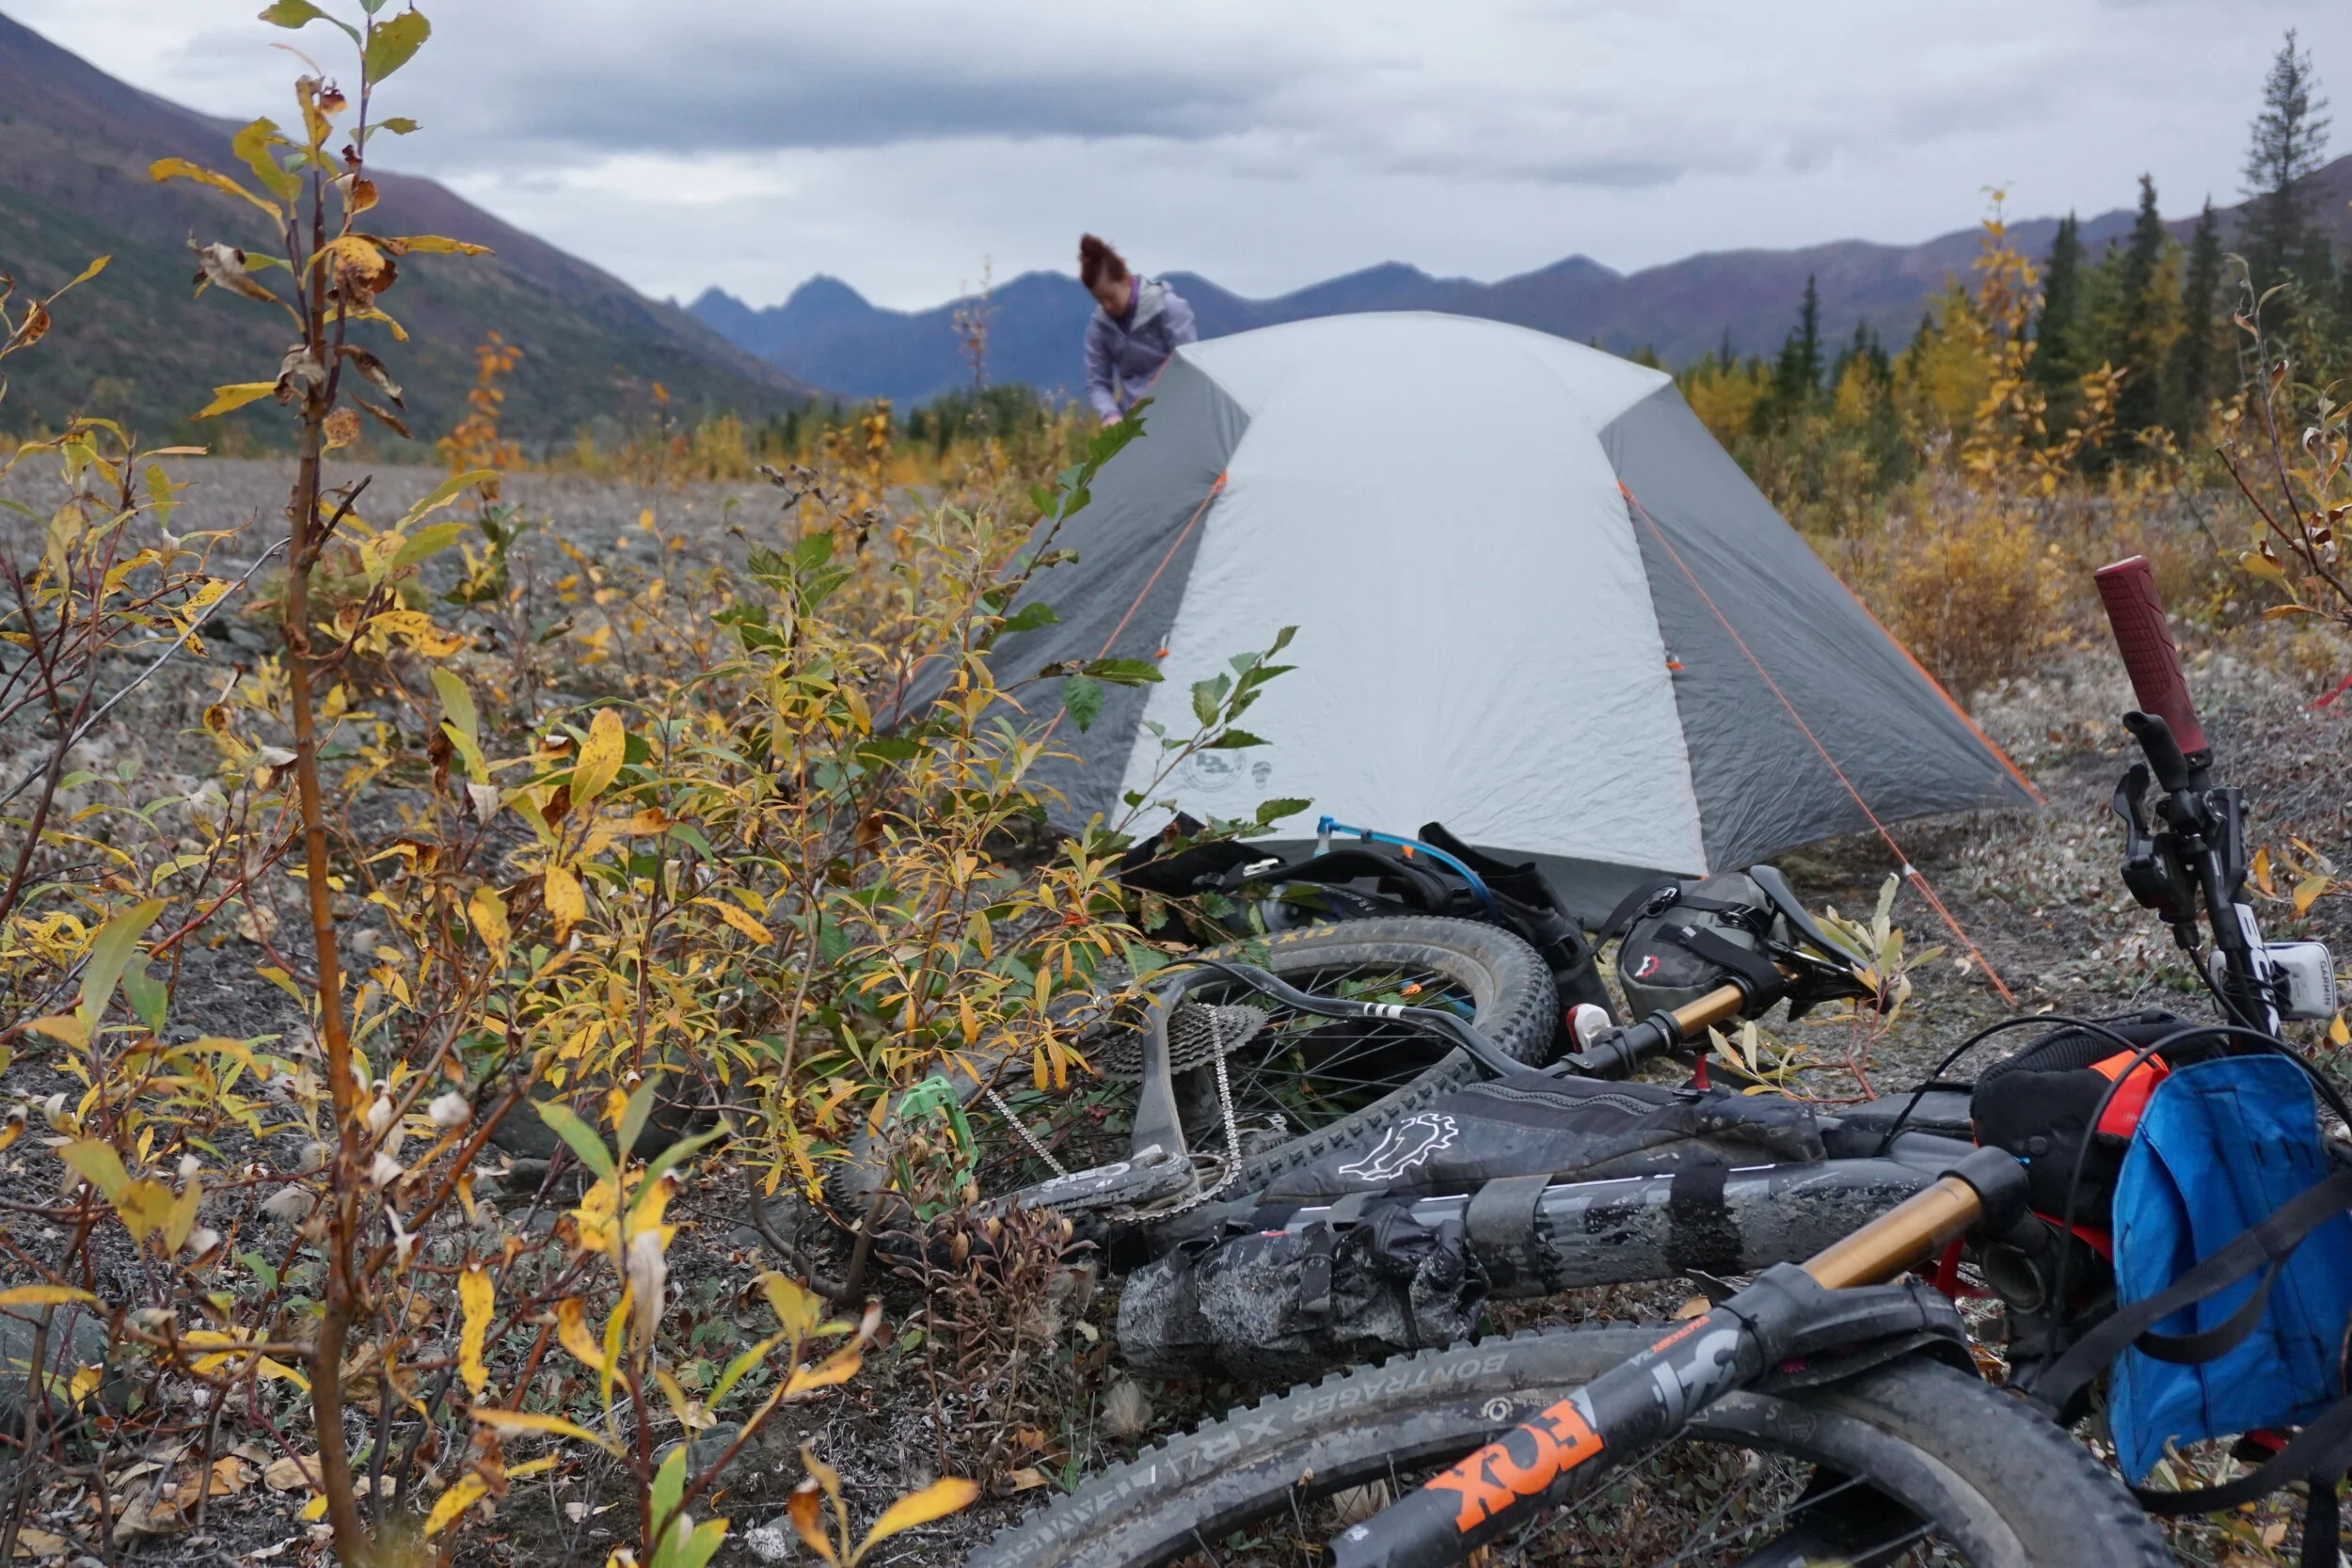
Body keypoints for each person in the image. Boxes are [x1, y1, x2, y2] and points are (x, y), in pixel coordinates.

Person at [1080, 234, 1197, 424]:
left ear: (1126, 280)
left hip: (1177, 413)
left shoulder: (1168, 307)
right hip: (1133, 420)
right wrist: (1110, 414)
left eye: (1111, 297)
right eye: (1100, 300)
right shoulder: (1099, 328)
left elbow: (1188, 364)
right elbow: (1097, 382)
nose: (1107, 306)